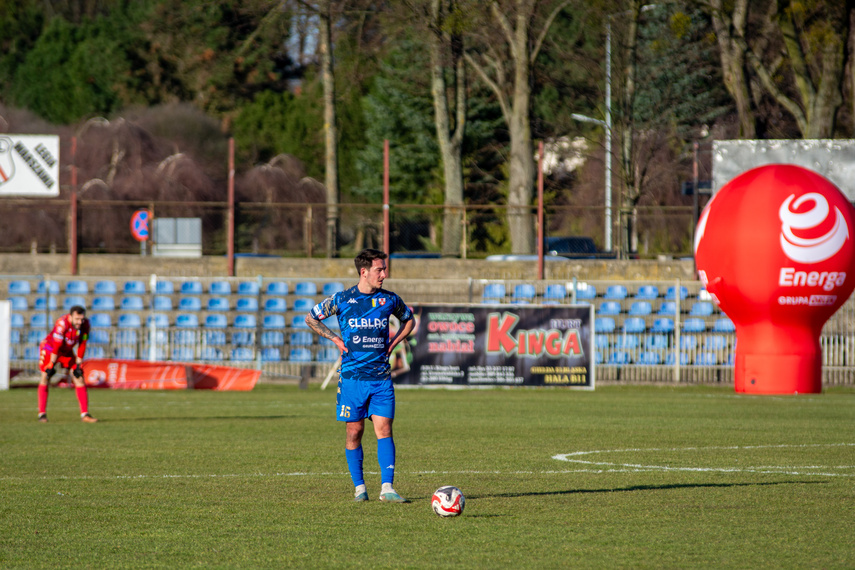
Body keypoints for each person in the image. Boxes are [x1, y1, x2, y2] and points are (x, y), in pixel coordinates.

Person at [306, 248, 415, 502]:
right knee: (354, 432)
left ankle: (387, 488)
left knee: (384, 429)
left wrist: (394, 343)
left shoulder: (389, 300)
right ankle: (360, 489)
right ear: (363, 272)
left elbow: (409, 321)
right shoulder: (342, 299)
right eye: (379, 269)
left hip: (381, 379)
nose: (384, 275)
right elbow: (311, 318)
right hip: (353, 379)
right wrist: (334, 338)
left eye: (384, 269)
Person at [37, 305, 98, 423]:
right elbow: (57, 345)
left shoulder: (85, 324)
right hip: (50, 349)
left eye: (82, 319)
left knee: (79, 377)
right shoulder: (62, 324)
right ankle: (42, 414)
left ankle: (85, 414)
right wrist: (51, 364)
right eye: (77, 319)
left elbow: (82, 344)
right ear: (70, 316)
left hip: (67, 351)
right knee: (45, 376)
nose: (79, 322)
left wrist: (78, 365)